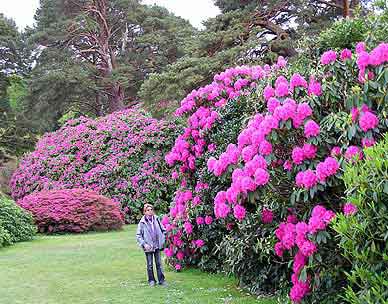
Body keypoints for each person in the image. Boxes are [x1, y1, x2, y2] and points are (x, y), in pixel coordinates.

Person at [136, 203, 167, 287]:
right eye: (148, 210)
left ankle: (161, 280)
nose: (150, 212)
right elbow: (138, 235)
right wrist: (144, 244)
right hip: (148, 247)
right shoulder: (142, 223)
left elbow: (163, 230)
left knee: (159, 264)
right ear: (144, 212)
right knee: (150, 264)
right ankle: (151, 280)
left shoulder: (156, 219)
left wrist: (162, 239)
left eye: (151, 210)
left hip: (157, 245)